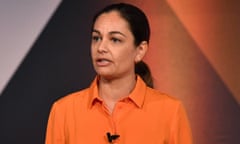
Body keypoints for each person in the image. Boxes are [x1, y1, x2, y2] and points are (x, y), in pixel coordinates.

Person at [45, 2, 192, 144]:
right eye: (96, 38)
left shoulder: (170, 112)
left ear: (140, 50)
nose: (101, 47)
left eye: (115, 40)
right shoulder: (63, 111)